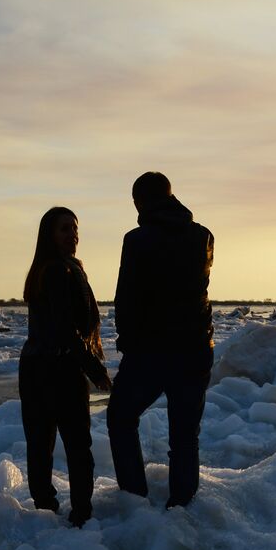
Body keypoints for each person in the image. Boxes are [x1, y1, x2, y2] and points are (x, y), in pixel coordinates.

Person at [107, 172, 215, 508]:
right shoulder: (203, 236)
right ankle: (181, 506)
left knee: (121, 417)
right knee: (185, 436)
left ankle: (134, 498)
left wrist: (127, 344)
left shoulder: (137, 240)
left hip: (151, 352)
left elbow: (126, 298)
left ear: (140, 201)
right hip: (195, 349)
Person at [19, 206, 111, 527]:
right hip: (56, 367)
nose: (72, 235)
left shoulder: (60, 268)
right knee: (74, 444)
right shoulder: (57, 271)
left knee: (41, 444)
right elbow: (65, 329)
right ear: (49, 235)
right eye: (64, 229)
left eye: (75, 229)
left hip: (37, 367)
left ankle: (46, 510)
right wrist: (94, 369)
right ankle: (80, 515)